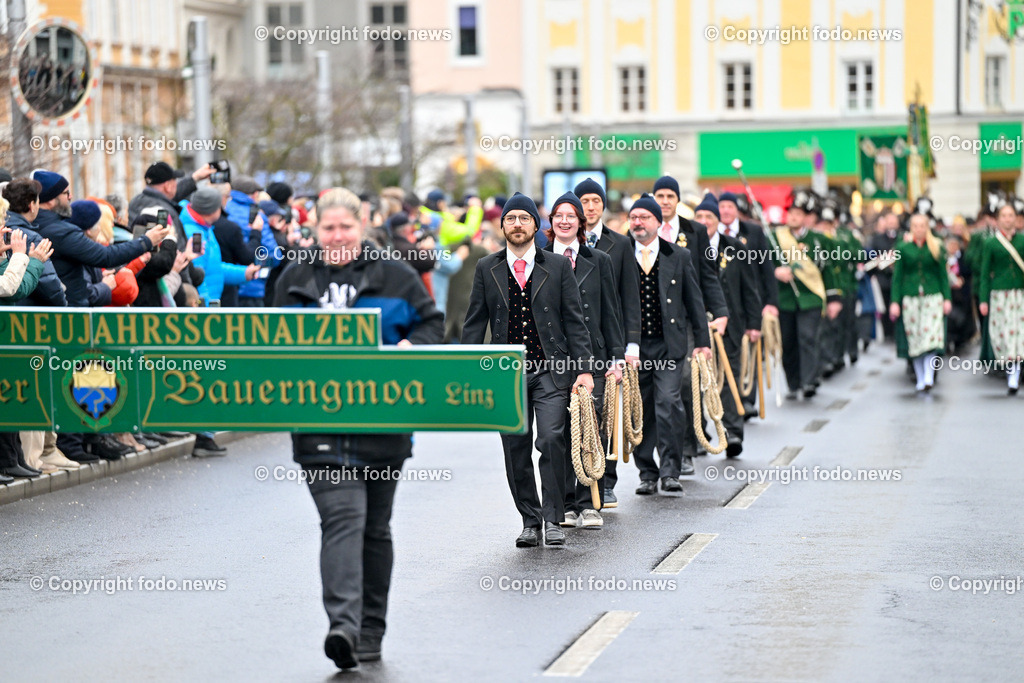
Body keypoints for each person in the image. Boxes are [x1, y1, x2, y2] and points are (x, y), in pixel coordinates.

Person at [274, 187, 443, 670]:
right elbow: (268, 341)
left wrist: (414, 346)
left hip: (383, 426)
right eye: (328, 228)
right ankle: (343, 626)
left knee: (375, 528)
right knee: (343, 517)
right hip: (318, 427)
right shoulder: (295, 276)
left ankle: (371, 630)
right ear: (316, 231)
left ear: (362, 226)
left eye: (346, 227)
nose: (337, 236)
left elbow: (432, 324)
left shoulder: (395, 273)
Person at [462, 193, 595, 547]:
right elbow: (475, 323)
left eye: (524, 218)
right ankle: (530, 521)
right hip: (506, 374)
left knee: (551, 439)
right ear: (502, 226)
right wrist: (468, 370)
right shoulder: (486, 268)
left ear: (537, 226)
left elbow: (575, 320)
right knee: (515, 447)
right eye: (511, 219)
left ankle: (553, 519)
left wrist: (584, 369)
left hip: (551, 369)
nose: (517, 224)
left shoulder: (557, 266)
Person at [544, 191, 624, 529]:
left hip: (595, 358)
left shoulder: (599, 261)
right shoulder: (540, 258)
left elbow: (611, 312)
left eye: (570, 215)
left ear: (581, 222)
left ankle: (591, 500)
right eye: (558, 215)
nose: (564, 220)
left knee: (591, 429)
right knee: (559, 431)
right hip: (554, 359)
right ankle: (564, 504)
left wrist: (617, 358)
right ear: (550, 222)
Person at [626, 194, 711, 494]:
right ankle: (647, 473)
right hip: (634, 348)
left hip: (669, 346)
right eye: (634, 217)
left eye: (644, 217)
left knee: (668, 403)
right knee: (643, 409)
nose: (638, 222)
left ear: (658, 223)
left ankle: (671, 469)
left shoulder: (679, 256)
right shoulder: (619, 256)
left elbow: (694, 301)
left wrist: (703, 341)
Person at [573, 178, 640, 507]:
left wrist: (630, 346)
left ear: (603, 205)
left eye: (596, 200)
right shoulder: (561, 244)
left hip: (608, 339)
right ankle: (580, 483)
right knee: (579, 416)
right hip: (574, 344)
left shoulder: (620, 244)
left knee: (607, 413)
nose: (591, 205)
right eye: (584, 200)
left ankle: (607, 480)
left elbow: (629, 298)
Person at [33, 172, 165, 307]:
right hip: (72, 315)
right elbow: (106, 256)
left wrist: (100, 278)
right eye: (66, 193)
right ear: (50, 200)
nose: (70, 197)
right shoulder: (60, 231)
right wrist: (147, 241)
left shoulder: (38, 225)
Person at [693, 193, 760, 456]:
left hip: (730, 325)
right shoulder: (685, 248)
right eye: (699, 216)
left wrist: (753, 323)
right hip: (698, 326)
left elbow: (750, 288)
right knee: (697, 382)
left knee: (728, 377)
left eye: (709, 216)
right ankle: (699, 433)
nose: (704, 221)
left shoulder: (735, 247)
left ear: (718, 221)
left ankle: (732, 432)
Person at [773, 190, 842, 399]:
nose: (793, 216)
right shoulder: (775, 238)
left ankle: (809, 380)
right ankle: (794, 383)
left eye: (798, 213)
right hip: (785, 298)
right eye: (790, 212)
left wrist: (834, 299)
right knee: (788, 341)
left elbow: (827, 270)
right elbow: (764, 265)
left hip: (811, 297)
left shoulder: (817, 240)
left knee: (808, 338)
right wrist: (776, 271)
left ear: (806, 217)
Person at [889, 213, 952, 392]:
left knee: (931, 338)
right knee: (915, 339)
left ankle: (928, 375)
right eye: (915, 226)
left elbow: (943, 276)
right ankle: (919, 375)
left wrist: (947, 298)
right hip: (910, 298)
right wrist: (895, 301)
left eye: (922, 225)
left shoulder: (937, 247)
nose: (919, 229)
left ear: (927, 227)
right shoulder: (903, 247)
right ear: (911, 228)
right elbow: (897, 277)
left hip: (933, 296)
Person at [977, 202, 1024, 394]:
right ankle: (1010, 371)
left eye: (1010, 215)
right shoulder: (990, 243)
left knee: (1020, 335)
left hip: (1020, 294)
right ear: (997, 220)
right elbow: (985, 273)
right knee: (1004, 334)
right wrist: (983, 300)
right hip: (1000, 294)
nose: (1007, 219)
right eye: (1004, 215)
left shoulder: (1022, 241)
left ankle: (1014, 377)